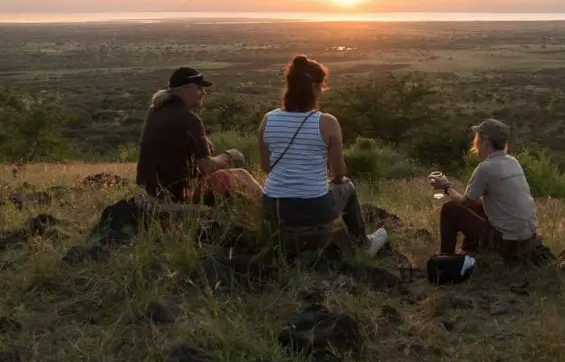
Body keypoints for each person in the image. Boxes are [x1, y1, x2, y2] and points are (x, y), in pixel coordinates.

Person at [258, 55, 388, 257]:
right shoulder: (326, 122)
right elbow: (339, 172)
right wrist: (327, 180)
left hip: (272, 206)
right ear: (315, 88)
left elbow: (266, 167)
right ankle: (364, 244)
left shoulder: (268, 119)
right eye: (322, 85)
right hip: (312, 207)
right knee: (347, 187)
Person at [136, 66, 262, 204]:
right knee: (241, 176)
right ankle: (272, 209)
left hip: (152, 191)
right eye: (198, 88)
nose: (203, 92)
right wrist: (229, 155)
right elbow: (207, 166)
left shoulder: (155, 110)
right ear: (184, 90)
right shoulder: (189, 119)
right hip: (179, 193)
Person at [431, 118, 539, 258]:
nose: (475, 142)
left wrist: (445, 186)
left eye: (477, 138)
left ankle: (445, 260)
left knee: (450, 210)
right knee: (477, 206)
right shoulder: (513, 161)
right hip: (528, 240)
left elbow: (464, 202)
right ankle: (470, 250)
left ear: (486, 142)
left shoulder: (486, 168)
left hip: (507, 244)